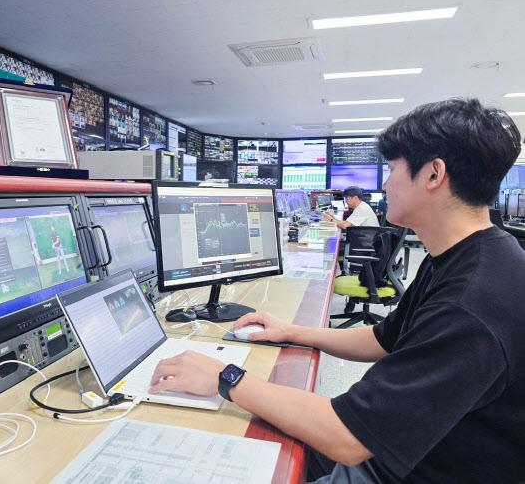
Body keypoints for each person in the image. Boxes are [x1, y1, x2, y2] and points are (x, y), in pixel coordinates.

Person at [149, 98, 525, 483]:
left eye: (391, 169)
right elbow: (383, 338)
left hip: (411, 469)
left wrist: (225, 377)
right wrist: (292, 331)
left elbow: (348, 439)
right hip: (410, 448)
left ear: (433, 174)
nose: (384, 184)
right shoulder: (464, 256)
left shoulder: (473, 301)